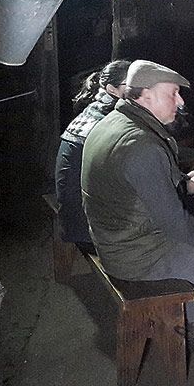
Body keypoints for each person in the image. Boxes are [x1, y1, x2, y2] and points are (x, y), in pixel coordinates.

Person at [80, 60, 194, 349]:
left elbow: (144, 184)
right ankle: (169, 325)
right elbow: (174, 224)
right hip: (138, 254)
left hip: (116, 241)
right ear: (145, 94)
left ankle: (180, 316)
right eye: (172, 93)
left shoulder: (117, 122)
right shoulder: (142, 146)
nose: (180, 101)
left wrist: (188, 181)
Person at [54, 59, 131, 252]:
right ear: (113, 89)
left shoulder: (96, 110)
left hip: (76, 222)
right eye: (133, 86)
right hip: (89, 231)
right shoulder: (112, 120)